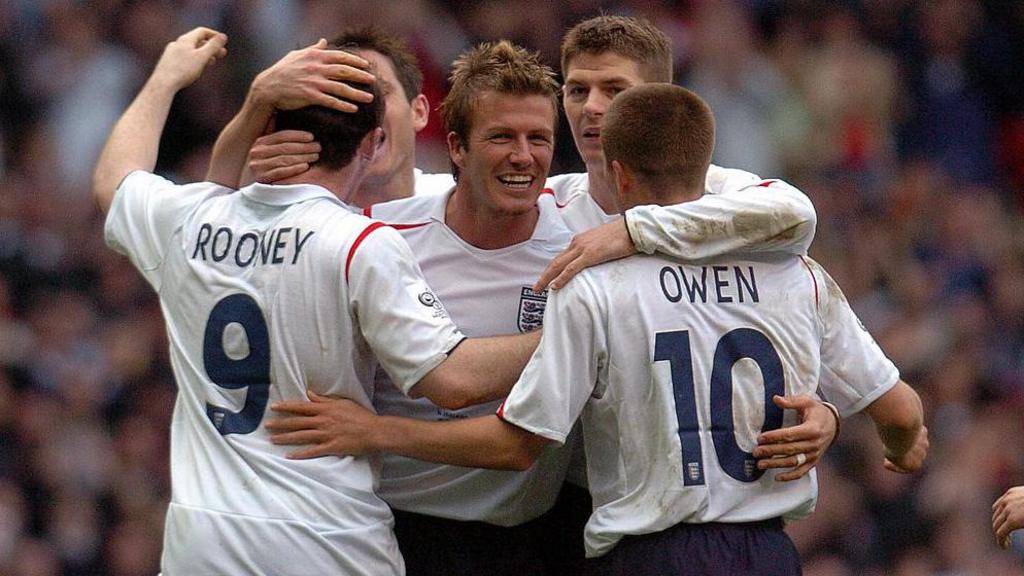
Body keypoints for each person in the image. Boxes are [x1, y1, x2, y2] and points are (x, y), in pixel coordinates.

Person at [286, 84, 929, 576]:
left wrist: (374, 431)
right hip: (765, 548)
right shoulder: (798, 275)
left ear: (617, 175)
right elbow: (900, 409)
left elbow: (518, 446)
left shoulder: (593, 285)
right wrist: (897, 446)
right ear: (711, 174)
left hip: (648, 552)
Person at [93, 28, 542, 575]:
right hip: (328, 539)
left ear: (273, 130)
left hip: (205, 539)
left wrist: (166, 77)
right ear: (373, 143)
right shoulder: (360, 243)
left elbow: (115, 180)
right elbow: (454, 380)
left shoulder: (188, 220)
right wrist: (575, 327)